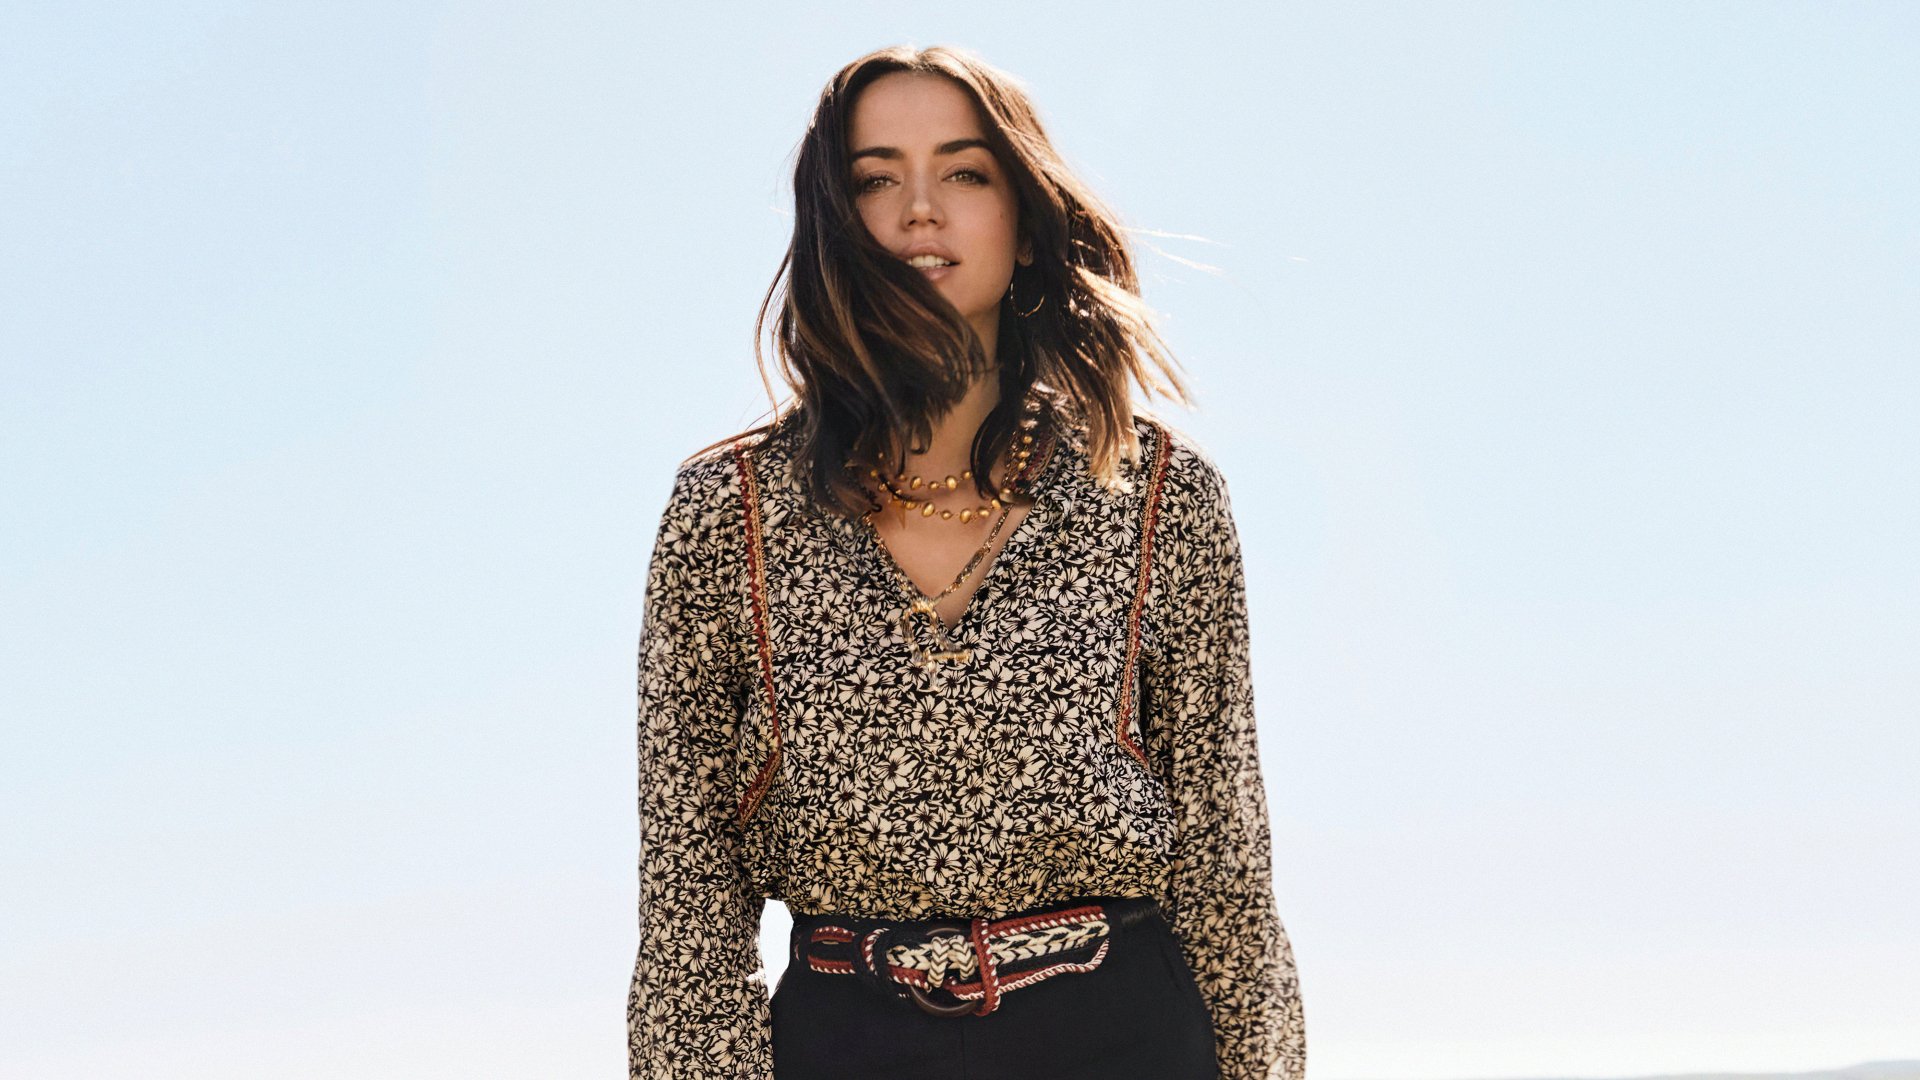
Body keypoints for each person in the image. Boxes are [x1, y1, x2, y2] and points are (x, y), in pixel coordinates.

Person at [628, 44, 1305, 1080]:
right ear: (832, 224)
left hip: (1123, 1035)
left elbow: (1227, 872)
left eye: (964, 171)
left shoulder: (1160, 494)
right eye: (875, 177)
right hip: (842, 1039)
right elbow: (689, 895)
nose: (919, 209)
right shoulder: (729, 513)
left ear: (1027, 222)